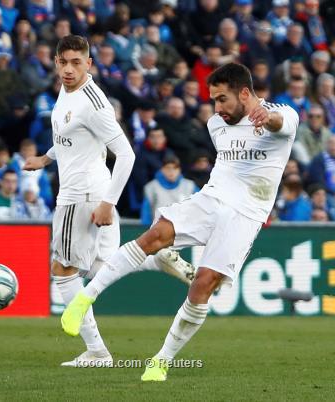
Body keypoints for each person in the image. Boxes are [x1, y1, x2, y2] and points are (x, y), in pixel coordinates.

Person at [60, 62, 299, 381]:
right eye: (214, 99)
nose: (217, 108)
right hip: (211, 198)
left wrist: (266, 118)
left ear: (245, 93)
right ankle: (84, 297)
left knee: (204, 283)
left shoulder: (283, 114)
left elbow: (280, 124)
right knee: (154, 235)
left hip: (246, 214)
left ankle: (161, 360)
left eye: (223, 99)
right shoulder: (217, 124)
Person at [22, 35, 196, 368]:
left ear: (89, 63)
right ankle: (155, 259)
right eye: (64, 62)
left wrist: (107, 202)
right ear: (56, 62)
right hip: (93, 190)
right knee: (103, 267)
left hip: (83, 195)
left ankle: (97, 352)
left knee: (63, 270)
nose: (69, 69)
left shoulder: (93, 102)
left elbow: (126, 154)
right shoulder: (66, 91)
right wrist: (45, 158)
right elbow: (70, 138)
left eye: (77, 62)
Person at [140, 154, 198, 225]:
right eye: (168, 168)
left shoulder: (190, 186)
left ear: (179, 170)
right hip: (158, 232)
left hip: (185, 231)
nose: (171, 171)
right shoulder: (151, 188)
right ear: (162, 169)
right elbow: (146, 215)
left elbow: (199, 210)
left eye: (175, 168)